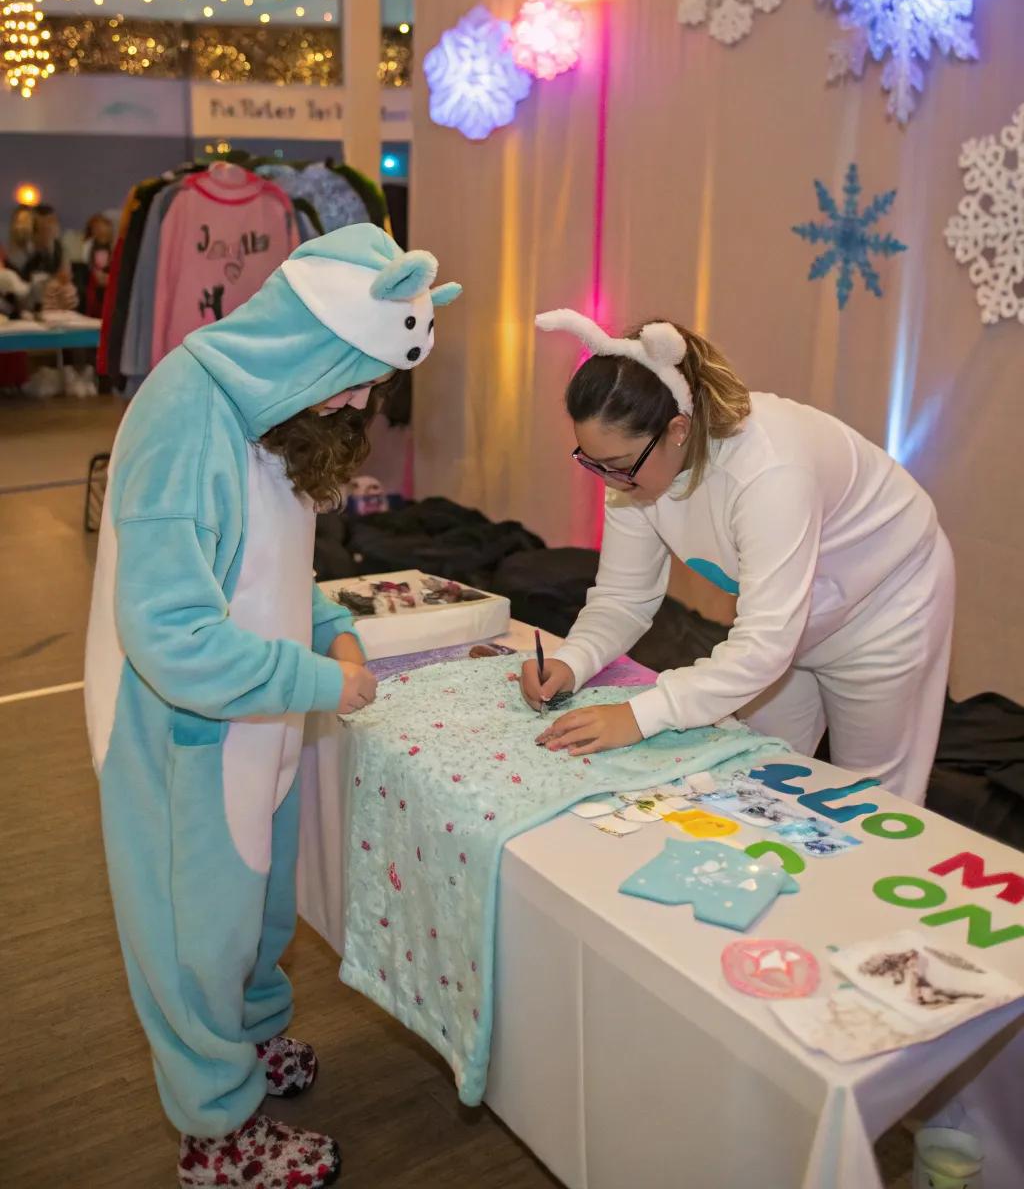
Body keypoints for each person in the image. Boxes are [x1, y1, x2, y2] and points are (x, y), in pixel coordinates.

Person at [84, 224, 460, 1188]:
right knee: (193, 929)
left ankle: (244, 1049)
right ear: (312, 340)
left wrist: (329, 622)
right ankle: (215, 1131)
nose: (363, 398)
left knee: (256, 899)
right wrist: (319, 681)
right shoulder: (185, 414)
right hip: (184, 726)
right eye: (357, 371)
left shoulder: (266, 409)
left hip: (259, 705)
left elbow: (264, 567)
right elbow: (171, 632)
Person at [523, 310, 954, 806]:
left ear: (678, 430)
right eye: (591, 461)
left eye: (618, 465)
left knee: (874, 799)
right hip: (790, 621)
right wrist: (571, 661)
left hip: (887, 606)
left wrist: (639, 715)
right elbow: (624, 597)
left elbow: (765, 645)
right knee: (755, 781)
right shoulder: (630, 469)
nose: (609, 481)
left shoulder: (768, 472)